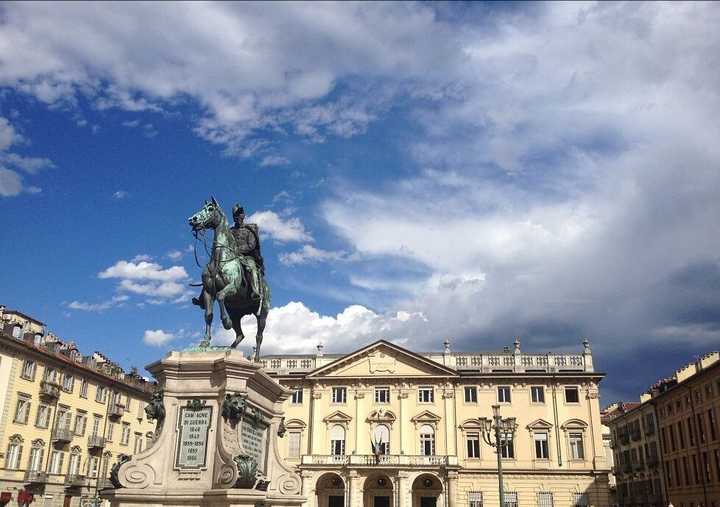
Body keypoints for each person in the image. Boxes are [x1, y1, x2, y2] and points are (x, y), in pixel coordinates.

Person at [229, 204, 264, 301]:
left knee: (251, 268)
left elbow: (251, 245)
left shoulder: (249, 230)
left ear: (243, 216)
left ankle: (255, 291)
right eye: (236, 215)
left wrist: (238, 250)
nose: (238, 216)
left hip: (247, 257)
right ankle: (204, 297)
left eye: (240, 214)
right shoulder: (230, 231)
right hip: (232, 257)